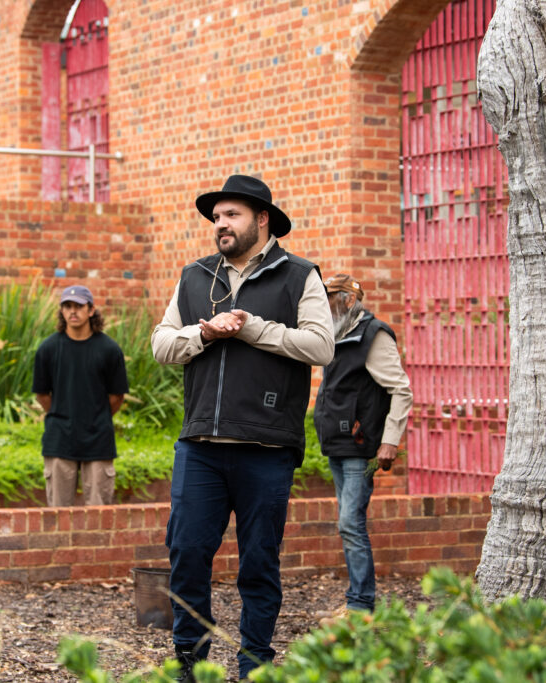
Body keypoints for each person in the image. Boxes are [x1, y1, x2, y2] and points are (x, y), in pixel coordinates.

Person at [151, 174, 334, 680]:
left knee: (258, 563)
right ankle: (190, 660)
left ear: (262, 219)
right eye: (216, 217)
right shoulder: (195, 276)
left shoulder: (299, 275)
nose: (220, 225)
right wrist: (205, 332)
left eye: (231, 215)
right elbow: (161, 345)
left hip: (267, 445)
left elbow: (322, 346)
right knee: (186, 553)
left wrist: (254, 329)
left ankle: (254, 662)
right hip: (201, 444)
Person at [313, 273, 413, 614]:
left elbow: (401, 390)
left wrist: (390, 442)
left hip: (360, 445)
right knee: (347, 523)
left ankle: (361, 605)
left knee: (350, 523)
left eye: (329, 299)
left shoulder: (374, 334)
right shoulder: (337, 334)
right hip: (338, 444)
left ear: (349, 300)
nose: (324, 305)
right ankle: (357, 600)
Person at [32, 285, 129, 506]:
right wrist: (62, 413)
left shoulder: (109, 350)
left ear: (91, 310)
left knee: (98, 516)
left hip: (98, 440)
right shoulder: (47, 349)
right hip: (59, 440)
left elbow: (117, 397)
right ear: (61, 311)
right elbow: (42, 394)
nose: (73, 311)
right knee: (58, 515)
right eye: (67, 306)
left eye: (78, 306)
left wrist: (96, 416)